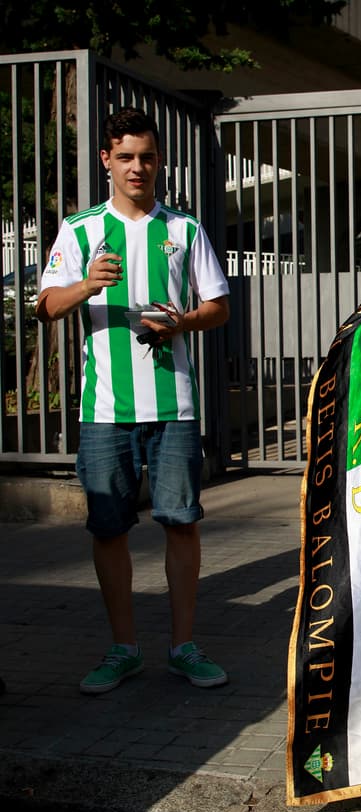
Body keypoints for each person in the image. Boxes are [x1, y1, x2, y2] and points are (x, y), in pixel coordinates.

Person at [37, 107, 231, 694]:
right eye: (125, 157)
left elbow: (219, 306)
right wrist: (87, 285)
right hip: (104, 411)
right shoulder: (78, 230)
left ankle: (184, 646)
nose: (137, 168)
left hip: (173, 406)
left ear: (159, 160)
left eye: (147, 157)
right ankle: (123, 648)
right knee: (109, 529)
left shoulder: (185, 230)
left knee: (181, 524)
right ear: (106, 161)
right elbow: (45, 305)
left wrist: (185, 322)